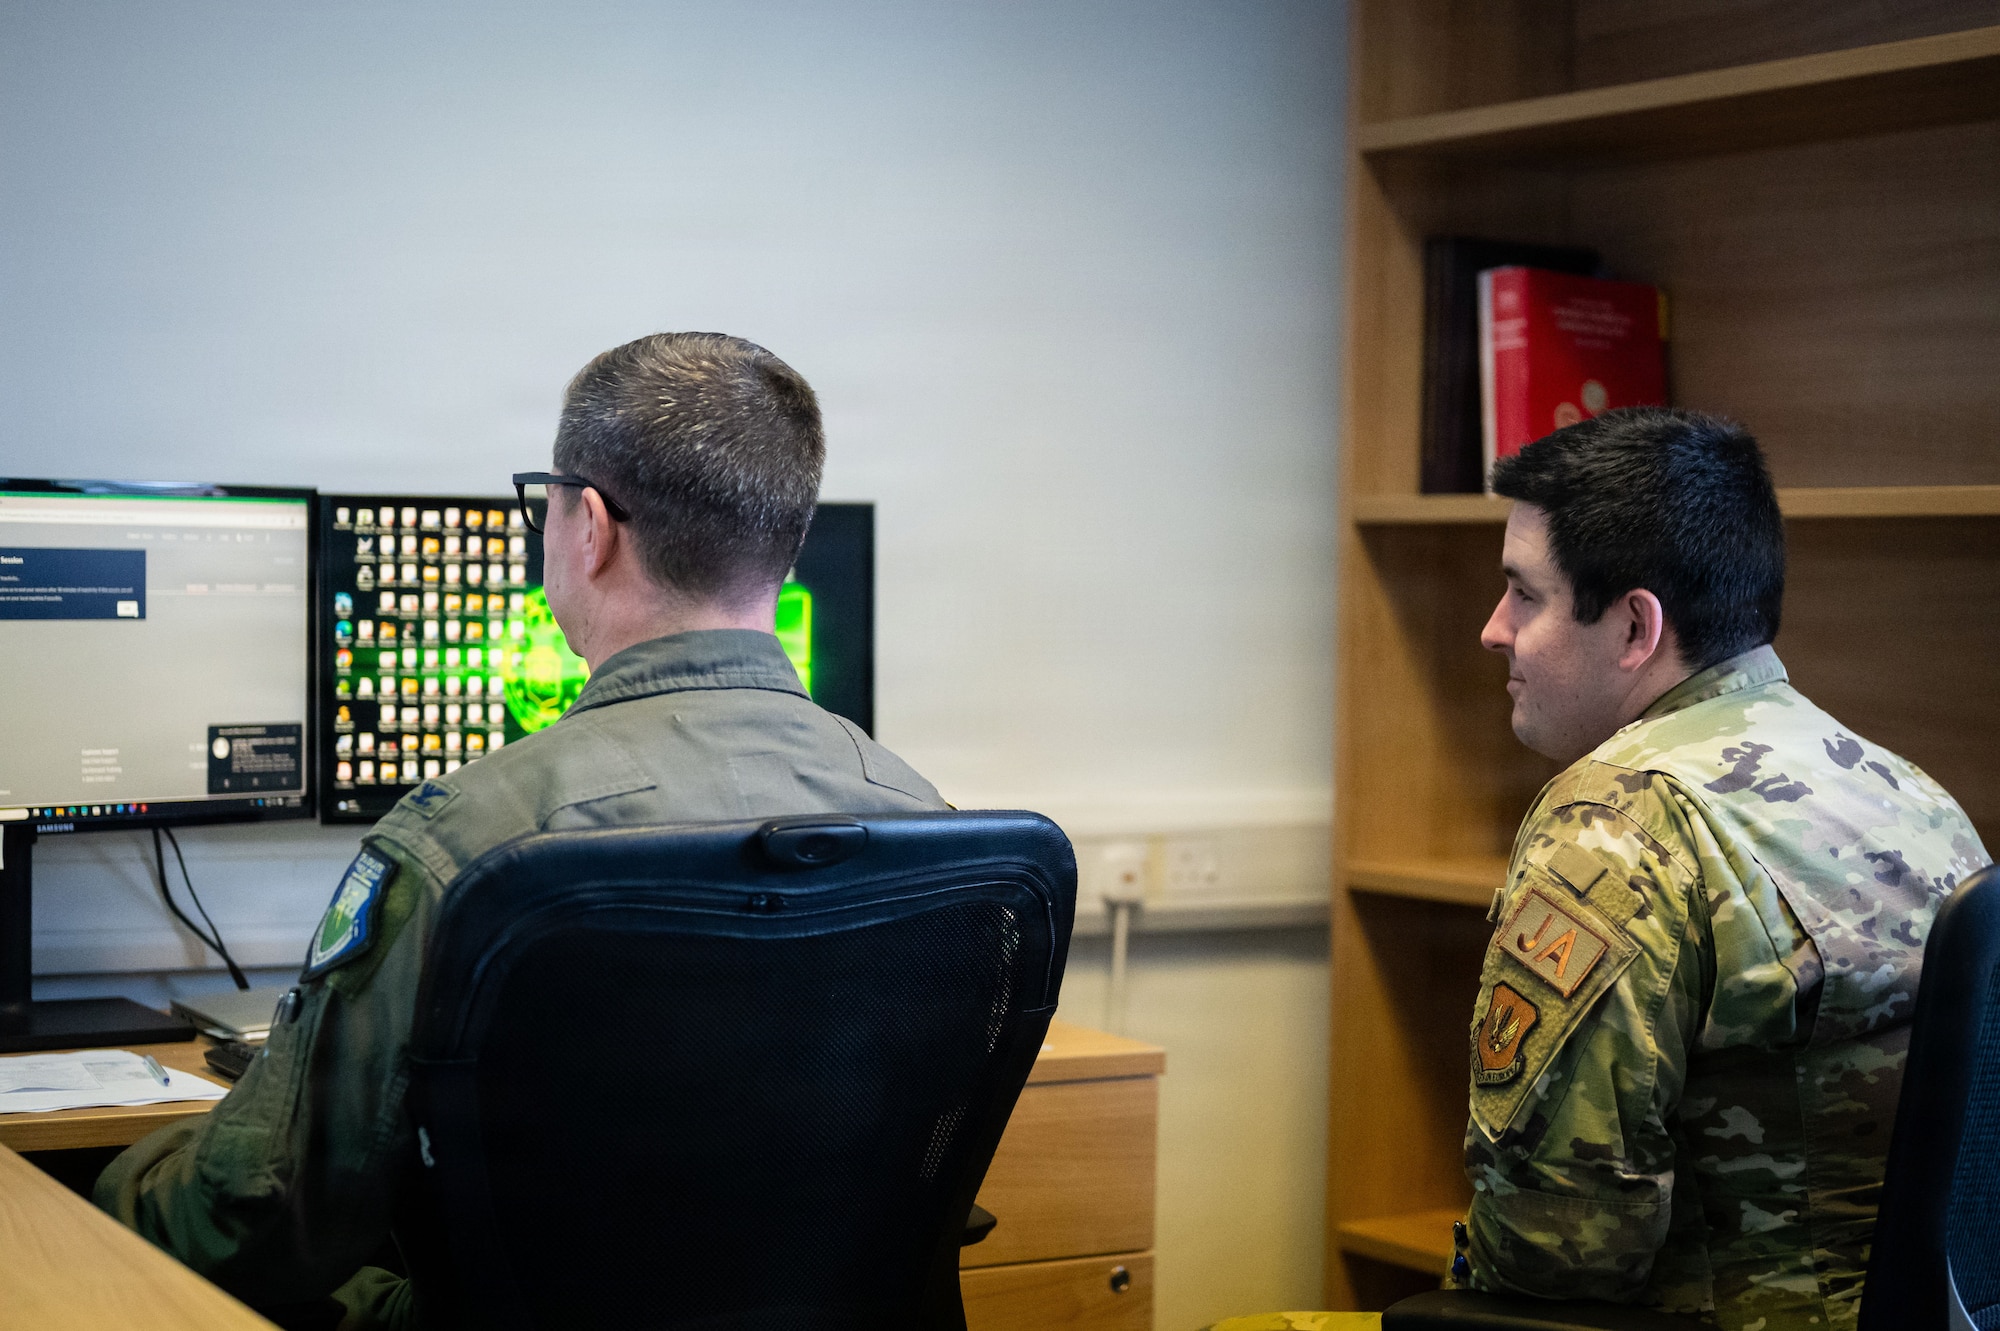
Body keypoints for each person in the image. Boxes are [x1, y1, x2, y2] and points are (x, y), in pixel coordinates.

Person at [95, 332, 947, 1329]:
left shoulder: (476, 840)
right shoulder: (923, 823)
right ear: (784, 538)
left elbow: (257, 1223)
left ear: (587, 525)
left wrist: (124, 1171)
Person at [1451, 408, 1989, 1330]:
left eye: (1524, 596)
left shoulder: (1615, 821)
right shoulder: (1917, 794)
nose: (1493, 630)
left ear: (1633, 625)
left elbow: (1559, 1246)